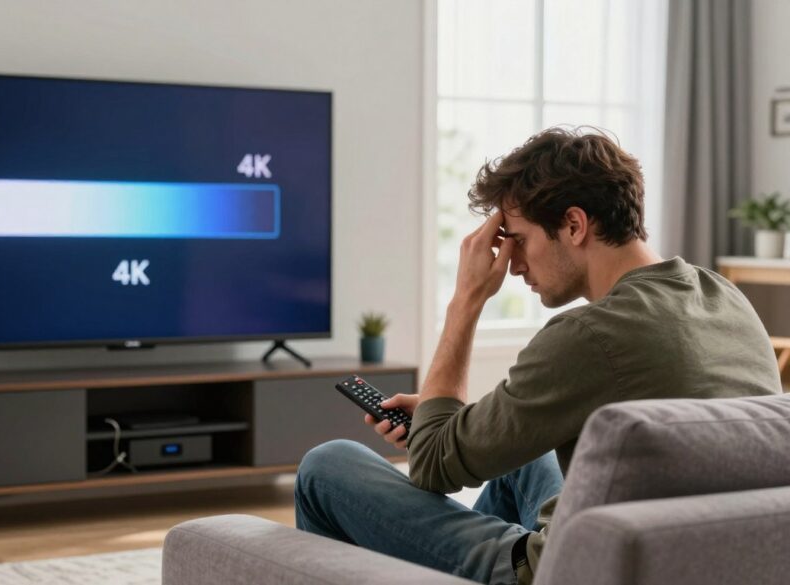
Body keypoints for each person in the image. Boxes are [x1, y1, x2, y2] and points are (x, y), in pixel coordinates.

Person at [294, 127, 782, 585]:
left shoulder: (590, 334)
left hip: (561, 568)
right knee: (518, 458)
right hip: (686, 552)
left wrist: (465, 300)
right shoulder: (723, 295)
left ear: (573, 224)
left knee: (327, 466)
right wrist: (447, 423)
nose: (513, 265)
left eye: (519, 241)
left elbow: (432, 466)